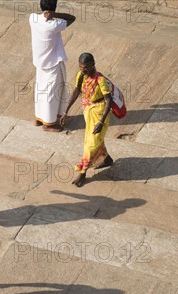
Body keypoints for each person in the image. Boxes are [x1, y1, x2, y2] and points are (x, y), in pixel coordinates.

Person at [61, 53, 114, 187]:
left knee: (90, 144)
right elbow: (76, 91)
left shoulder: (100, 80)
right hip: (88, 111)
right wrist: (65, 111)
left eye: (85, 67)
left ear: (92, 65)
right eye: (80, 67)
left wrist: (101, 122)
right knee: (94, 140)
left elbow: (109, 100)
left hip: (100, 113)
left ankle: (83, 173)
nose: (82, 70)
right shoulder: (81, 76)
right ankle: (106, 159)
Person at [29, 0, 75, 132]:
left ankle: (39, 117)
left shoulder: (32, 18)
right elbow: (72, 18)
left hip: (40, 63)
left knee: (41, 90)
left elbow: (39, 15)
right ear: (53, 9)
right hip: (53, 63)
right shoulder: (55, 24)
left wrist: (48, 12)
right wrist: (55, 14)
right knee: (51, 93)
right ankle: (49, 123)